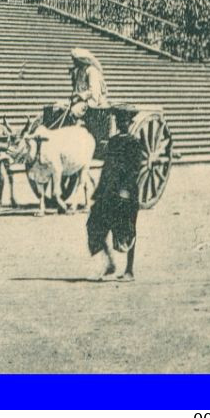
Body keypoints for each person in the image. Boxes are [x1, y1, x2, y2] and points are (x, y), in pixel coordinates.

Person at [87, 132, 144, 281]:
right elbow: (107, 168)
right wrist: (99, 191)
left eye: (124, 119)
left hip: (126, 192)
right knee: (95, 224)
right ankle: (109, 264)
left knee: (128, 230)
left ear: (129, 121)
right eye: (119, 119)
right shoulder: (113, 141)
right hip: (109, 190)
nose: (122, 122)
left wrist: (125, 191)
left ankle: (129, 270)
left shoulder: (134, 143)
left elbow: (135, 169)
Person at [68, 47, 108, 120]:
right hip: (78, 100)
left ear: (81, 60)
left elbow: (94, 92)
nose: (73, 62)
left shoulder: (91, 71)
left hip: (91, 102)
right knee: (58, 106)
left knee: (74, 111)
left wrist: (79, 96)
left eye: (75, 60)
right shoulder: (79, 71)